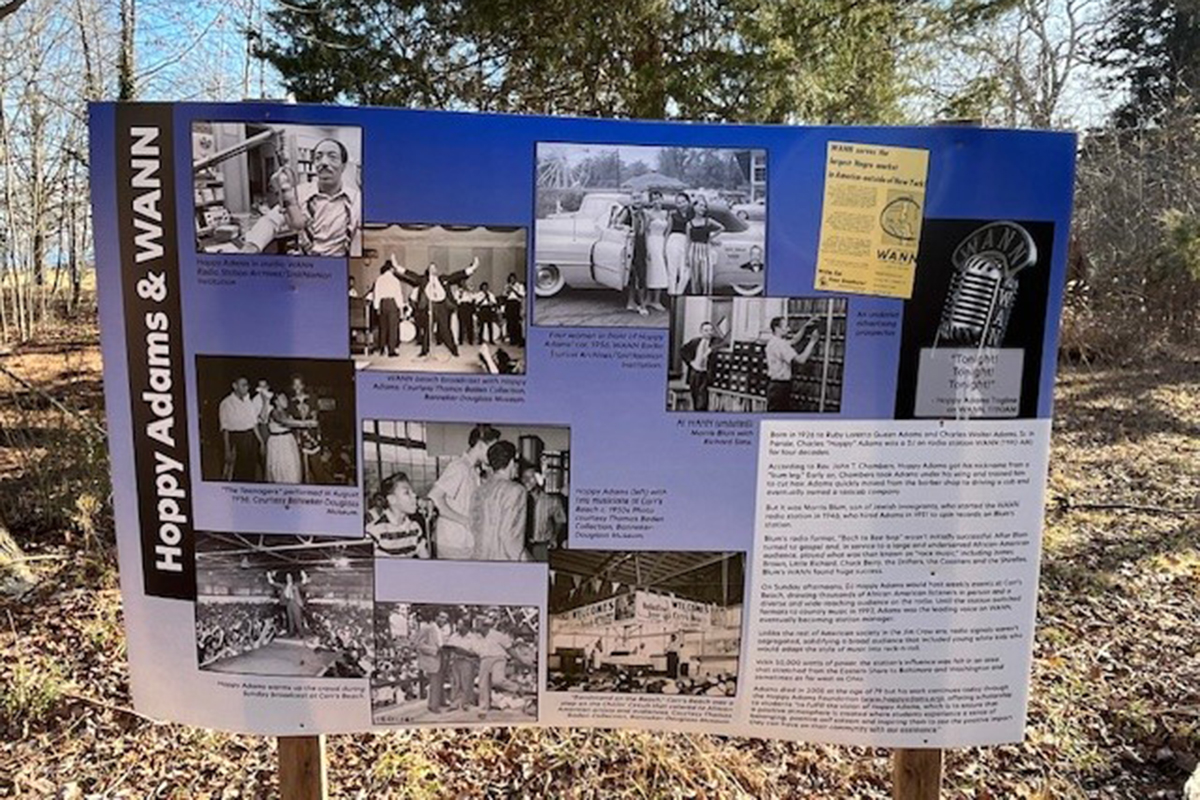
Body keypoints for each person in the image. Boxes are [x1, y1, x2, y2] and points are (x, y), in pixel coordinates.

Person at [243, 137, 361, 257]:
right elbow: (272, 220)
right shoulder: (300, 193)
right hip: (305, 267)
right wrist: (253, 244)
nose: (324, 163)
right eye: (318, 157)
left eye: (332, 157)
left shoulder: (357, 201)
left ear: (343, 166)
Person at [427, 424, 500, 559]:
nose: (495, 454)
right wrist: (465, 521)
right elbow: (435, 497)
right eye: (493, 448)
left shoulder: (473, 470)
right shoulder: (459, 467)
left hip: (465, 541)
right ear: (481, 444)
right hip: (452, 542)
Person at [393, 255, 479, 358]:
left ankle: (453, 349)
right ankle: (424, 351)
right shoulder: (423, 280)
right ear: (428, 270)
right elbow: (411, 275)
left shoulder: (443, 279)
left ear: (436, 270)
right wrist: (397, 267)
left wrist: (472, 268)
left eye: (434, 268)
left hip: (441, 306)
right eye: (431, 268)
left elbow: (457, 275)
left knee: (445, 329)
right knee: (427, 329)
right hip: (430, 306)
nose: (433, 269)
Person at [470, 441, 530, 562]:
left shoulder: (478, 490)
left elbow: (473, 525)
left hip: (479, 560)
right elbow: (510, 539)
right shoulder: (516, 490)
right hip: (503, 561)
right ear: (512, 462)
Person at [366, 472, 430, 558]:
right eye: (407, 493)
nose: (414, 495)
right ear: (392, 499)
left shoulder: (415, 528)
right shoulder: (376, 531)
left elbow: (425, 560)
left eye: (413, 492)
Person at [765, 316, 822, 412]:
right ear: (777, 328)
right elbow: (801, 359)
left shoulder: (773, 342)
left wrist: (805, 326)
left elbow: (795, 340)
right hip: (780, 388)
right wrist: (812, 342)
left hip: (774, 387)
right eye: (786, 326)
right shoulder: (781, 345)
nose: (789, 329)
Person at [475, 612, 521, 718]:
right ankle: (484, 709)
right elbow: (475, 652)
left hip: (499, 658)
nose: (478, 627)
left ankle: (516, 688)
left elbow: (509, 649)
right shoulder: (477, 638)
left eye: (480, 625)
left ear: (486, 626)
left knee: (498, 680)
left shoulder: (497, 635)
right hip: (484, 660)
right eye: (477, 624)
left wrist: (520, 660)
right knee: (483, 685)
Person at [264, 393, 316, 483]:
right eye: (282, 398)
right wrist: (307, 423)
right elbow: (285, 422)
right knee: (280, 471)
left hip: (288, 441)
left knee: (293, 468)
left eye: (285, 398)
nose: (286, 400)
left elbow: (295, 422)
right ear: (276, 402)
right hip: (278, 443)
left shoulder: (287, 412)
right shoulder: (274, 412)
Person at [218, 377, 261, 482]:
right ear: (235, 386)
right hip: (237, 440)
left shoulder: (248, 401)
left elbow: (254, 423)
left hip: (251, 439)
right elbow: (225, 428)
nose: (246, 388)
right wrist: (227, 450)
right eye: (243, 385)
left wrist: (261, 442)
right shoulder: (226, 403)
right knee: (237, 472)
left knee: (251, 471)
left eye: (247, 385)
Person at [679, 319, 727, 412]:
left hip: (705, 374)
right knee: (695, 397)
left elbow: (725, 343)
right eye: (706, 330)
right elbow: (683, 350)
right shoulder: (695, 341)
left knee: (702, 401)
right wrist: (690, 362)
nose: (709, 332)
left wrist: (711, 349)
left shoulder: (715, 341)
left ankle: (701, 413)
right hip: (694, 372)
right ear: (701, 331)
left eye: (710, 330)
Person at [521, 466, 566, 562]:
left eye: (531, 477)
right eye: (524, 477)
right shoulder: (518, 500)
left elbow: (560, 520)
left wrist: (554, 536)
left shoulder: (551, 501)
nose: (526, 480)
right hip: (522, 546)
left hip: (541, 546)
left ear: (539, 479)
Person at [686, 196, 725, 295]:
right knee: (695, 278)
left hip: (706, 249)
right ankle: (696, 297)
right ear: (694, 207)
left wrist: (711, 238)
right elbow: (688, 240)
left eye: (704, 206)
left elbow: (721, 228)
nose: (702, 208)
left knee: (706, 278)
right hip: (694, 249)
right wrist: (686, 257)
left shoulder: (708, 221)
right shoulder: (689, 224)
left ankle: (707, 295)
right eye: (700, 205)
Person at [415, 609, 449, 714]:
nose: (444, 620)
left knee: (441, 681)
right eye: (442, 617)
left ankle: (441, 701)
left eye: (446, 619)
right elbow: (419, 645)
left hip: (442, 658)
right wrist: (434, 650)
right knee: (434, 683)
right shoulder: (427, 628)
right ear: (436, 617)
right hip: (433, 658)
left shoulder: (442, 630)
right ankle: (433, 706)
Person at [444, 615, 481, 711]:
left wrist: (465, 651)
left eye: (460, 625)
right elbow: (449, 646)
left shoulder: (473, 638)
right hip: (456, 661)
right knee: (455, 683)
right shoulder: (454, 636)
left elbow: (477, 652)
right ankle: (454, 703)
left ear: (466, 626)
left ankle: (466, 703)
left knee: (467, 683)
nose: (458, 627)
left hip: (467, 661)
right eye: (458, 625)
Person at [372, 259, 407, 357]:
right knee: (393, 328)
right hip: (392, 303)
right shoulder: (395, 280)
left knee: (383, 327)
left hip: (382, 304)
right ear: (391, 269)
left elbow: (377, 294)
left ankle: (382, 348)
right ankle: (391, 351)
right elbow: (398, 295)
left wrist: (377, 307)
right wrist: (401, 309)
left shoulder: (379, 279)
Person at [644, 191, 669, 311]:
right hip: (652, 241)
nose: (656, 202)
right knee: (653, 270)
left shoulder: (666, 213)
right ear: (651, 201)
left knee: (660, 271)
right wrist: (648, 249)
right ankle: (650, 299)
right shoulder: (649, 214)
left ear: (662, 199)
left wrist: (666, 246)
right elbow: (646, 231)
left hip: (662, 241)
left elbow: (667, 231)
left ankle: (656, 299)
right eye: (654, 199)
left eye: (658, 199)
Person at [266, 569, 310, 637]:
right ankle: (291, 632)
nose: (288, 578)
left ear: (292, 578)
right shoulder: (284, 586)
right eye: (287, 577)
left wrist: (303, 574)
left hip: (295, 603)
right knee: (290, 619)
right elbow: (272, 583)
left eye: (289, 577)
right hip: (288, 603)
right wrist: (269, 576)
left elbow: (304, 581)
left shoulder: (296, 585)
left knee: (297, 619)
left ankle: (301, 633)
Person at [665, 191, 693, 296]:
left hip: (687, 241)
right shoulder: (673, 215)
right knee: (672, 270)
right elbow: (668, 231)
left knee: (685, 271)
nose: (681, 204)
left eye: (683, 201)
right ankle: (672, 294)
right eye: (679, 202)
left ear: (688, 202)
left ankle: (679, 292)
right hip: (673, 241)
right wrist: (664, 247)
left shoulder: (692, 215)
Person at [626, 204, 649, 315]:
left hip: (641, 246)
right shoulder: (627, 213)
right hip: (630, 247)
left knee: (639, 275)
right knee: (635, 276)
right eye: (635, 198)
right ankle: (640, 304)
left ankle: (634, 302)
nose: (637, 202)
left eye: (639, 199)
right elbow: (617, 224)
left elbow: (645, 232)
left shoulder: (644, 215)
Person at [502, 273, 526, 346]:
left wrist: (514, 290)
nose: (512, 280)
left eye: (513, 278)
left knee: (516, 322)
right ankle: (512, 339)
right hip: (509, 303)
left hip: (516, 303)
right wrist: (508, 290)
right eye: (510, 279)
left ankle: (518, 339)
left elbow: (521, 295)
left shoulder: (519, 286)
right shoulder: (507, 286)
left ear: (515, 279)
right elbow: (504, 295)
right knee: (510, 322)